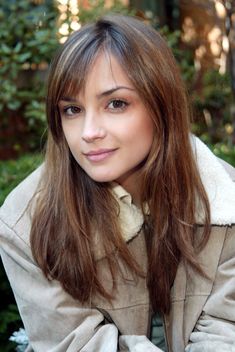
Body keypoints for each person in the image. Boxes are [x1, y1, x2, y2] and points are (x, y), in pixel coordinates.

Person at [1, 14, 235, 352]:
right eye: (72, 109)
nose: (89, 132)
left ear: (161, 107)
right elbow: (77, 345)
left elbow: (226, 330)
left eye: (116, 104)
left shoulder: (225, 201)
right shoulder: (26, 221)